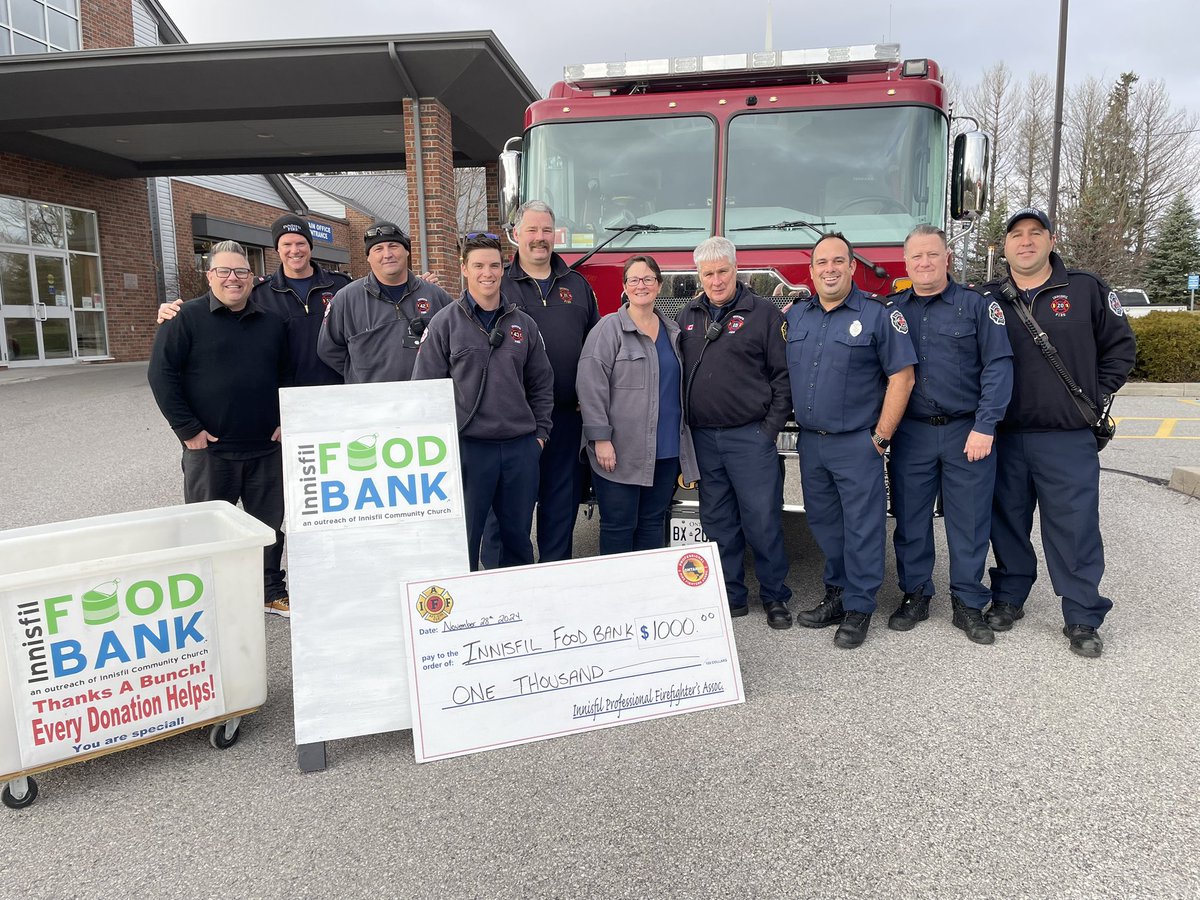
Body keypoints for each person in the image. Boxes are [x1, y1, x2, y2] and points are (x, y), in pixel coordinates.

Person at [981, 208, 1136, 658]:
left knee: (1074, 527)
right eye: (1016, 235)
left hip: (1067, 437)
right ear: (1005, 247)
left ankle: (1083, 614)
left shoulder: (1085, 289)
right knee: (1006, 522)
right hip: (1005, 436)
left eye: (1035, 234)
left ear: (1051, 241)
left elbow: (1120, 349)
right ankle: (1010, 597)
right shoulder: (987, 297)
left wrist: (1092, 393)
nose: (1025, 242)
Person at [147, 241, 291, 617]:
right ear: (209, 276)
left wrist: (284, 419)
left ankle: (269, 589)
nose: (233, 278)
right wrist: (187, 428)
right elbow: (161, 375)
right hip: (209, 451)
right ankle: (209, 597)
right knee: (206, 527)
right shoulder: (183, 318)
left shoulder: (272, 323)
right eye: (223, 271)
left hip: (265, 448)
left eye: (240, 272)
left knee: (269, 527)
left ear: (251, 278)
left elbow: (287, 376)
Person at [786, 232, 916, 649]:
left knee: (862, 527)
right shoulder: (798, 316)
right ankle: (838, 594)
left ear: (852, 267)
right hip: (812, 443)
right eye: (821, 262)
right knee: (825, 524)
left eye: (838, 261)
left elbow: (903, 377)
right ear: (811, 271)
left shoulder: (879, 315)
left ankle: (860, 606)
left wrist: (880, 437)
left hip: (856, 443)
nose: (829, 269)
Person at [887, 225, 1013, 644]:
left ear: (947, 259)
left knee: (971, 520)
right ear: (906, 263)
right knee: (910, 520)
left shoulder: (977, 306)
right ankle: (916, 594)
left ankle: (968, 602)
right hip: (912, 434)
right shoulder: (892, 310)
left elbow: (998, 366)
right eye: (916, 257)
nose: (924, 263)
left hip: (967, 432)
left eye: (932, 255)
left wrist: (985, 424)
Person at [412, 233, 554, 571]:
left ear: (502, 269)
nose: (486, 273)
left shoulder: (524, 324)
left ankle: (517, 604)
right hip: (468, 448)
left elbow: (542, 382)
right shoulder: (445, 323)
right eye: (478, 265)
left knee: (517, 537)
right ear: (464, 269)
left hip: (520, 448)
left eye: (493, 265)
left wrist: (540, 435)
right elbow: (426, 390)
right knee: (465, 537)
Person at [676, 236, 793, 629]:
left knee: (762, 520)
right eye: (708, 273)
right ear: (699, 275)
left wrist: (768, 431)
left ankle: (776, 597)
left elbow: (782, 378)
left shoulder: (764, 315)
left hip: (750, 438)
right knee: (717, 521)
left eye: (722, 271)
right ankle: (730, 594)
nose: (716, 280)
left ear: (736, 268)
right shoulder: (688, 316)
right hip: (705, 439)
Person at [481, 200, 600, 565]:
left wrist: (589, 396)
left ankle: (554, 577)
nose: (539, 238)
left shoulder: (577, 286)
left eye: (546, 230)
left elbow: (596, 347)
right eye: (531, 230)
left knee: (559, 505)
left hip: (565, 417)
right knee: (505, 508)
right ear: (515, 235)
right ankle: (505, 583)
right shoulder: (497, 282)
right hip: (513, 420)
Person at [576, 255, 699, 554]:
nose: (641, 285)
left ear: (658, 286)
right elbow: (590, 385)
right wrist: (600, 439)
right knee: (618, 526)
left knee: (652, 524)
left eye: (648, 279)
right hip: (619, 452)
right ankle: (618, 597)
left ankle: (647, 595)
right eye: (634, 279)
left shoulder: (673, 332)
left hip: (666, 451)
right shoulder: (608, 329)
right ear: (625, 287)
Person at [158, 215, 351, 386]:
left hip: (337, 386)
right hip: (284, 392)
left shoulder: (341, 286)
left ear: (310, 246)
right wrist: (176, 309)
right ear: (277, 249)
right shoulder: (258, 291)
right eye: (286, 244)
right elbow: (219, 303)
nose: (295, 250)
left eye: (300, 243)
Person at [317, 222, 454, 382]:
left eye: (393, 246)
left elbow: (455, 343)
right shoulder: (346, 299)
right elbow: (328, 350)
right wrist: (359, 376)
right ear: (368, 257)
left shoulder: (435, 295)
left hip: (424, 398)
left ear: (407, 251)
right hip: (373, 402)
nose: (387, 254)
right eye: (378, 249)